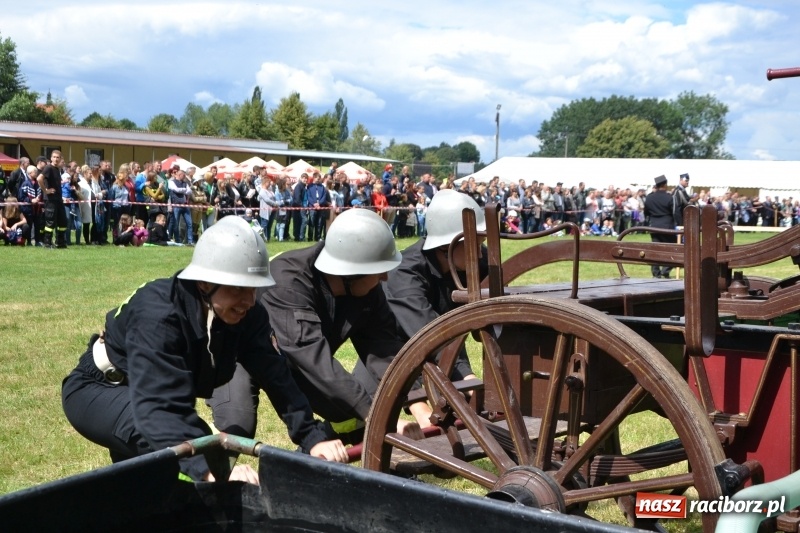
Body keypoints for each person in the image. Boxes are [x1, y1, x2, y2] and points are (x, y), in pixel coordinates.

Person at [62, 216, 348, 484]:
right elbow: (159, 408)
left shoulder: (248, 314)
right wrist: (211, 470)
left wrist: (311, 437)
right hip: (100, 388)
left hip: (144, 396)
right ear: (204, 282)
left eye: (254, 289)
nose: (248, 300)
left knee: (144, 491)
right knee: (196, 453)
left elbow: (277, 376)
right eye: (238, 289)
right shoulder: (159, 315)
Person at [207, 209, 424, 445]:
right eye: (378, 270)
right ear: (350, 272)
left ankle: (315, 459)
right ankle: (211, 475)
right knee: (238, 427)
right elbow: (316, 362)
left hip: (293, 362)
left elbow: (384, 350)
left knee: (349, 417)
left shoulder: (366, 289)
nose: (385, 277)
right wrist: (379, 416)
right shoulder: (288, 283)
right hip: (240, 358)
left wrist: (417, 403)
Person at [382, 190, 487, 426]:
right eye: (474, 245)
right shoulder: (406, 273)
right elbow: (428, 333)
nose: (480, 253)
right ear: (447, 246)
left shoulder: (475, 260)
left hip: (443, 354)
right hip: (395, 360)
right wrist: (466, 377)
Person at [643, 175, 676, 279]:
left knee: (655, 250)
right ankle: (665, 270)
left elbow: (646, 212)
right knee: (672, 249)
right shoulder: (669, 197)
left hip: (654, 226)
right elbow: (673, 212)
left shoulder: (649, 197)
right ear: (665, 185)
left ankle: (656, 273)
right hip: (667, 226)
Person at [36, 150, 68, 248]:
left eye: (58, 157)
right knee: (50, 222)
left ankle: (60, 242)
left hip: (58, 199)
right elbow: (39, 179)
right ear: (51, 158)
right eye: (54, 157)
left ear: (60, 158)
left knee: (63, 221)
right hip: (50, 199)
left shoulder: (57, 169)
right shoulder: (48, 168)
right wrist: (45, 190)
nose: (56, 159)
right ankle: (47, 243)